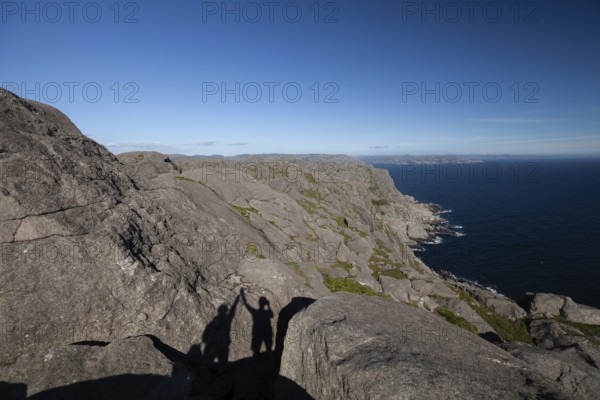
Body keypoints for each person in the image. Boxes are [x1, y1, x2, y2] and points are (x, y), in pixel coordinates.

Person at [202, 294, 240, 366]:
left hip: (218, 344)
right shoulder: (225, 319)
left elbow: (204, 338)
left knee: (211, 362)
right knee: (220, 362)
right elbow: (233, 310)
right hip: (221, 344)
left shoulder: (216, 320)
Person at [240, 288, 273, 355]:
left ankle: (257, 361)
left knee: (256, 350)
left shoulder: (255, 312)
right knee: (268, 349)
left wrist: (243, 296)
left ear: (259, 303)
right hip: (266, 332)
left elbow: (247, 306)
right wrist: (268, 306)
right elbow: (272, 315)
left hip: (257, 333)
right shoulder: (266, 312)